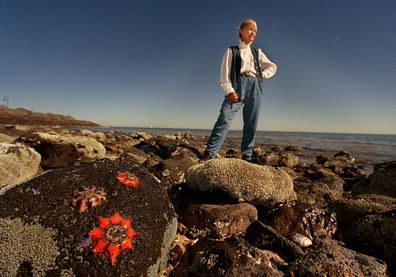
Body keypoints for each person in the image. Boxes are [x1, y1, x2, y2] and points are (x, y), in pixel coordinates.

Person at [203, 18, 277, 161]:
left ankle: (247, 156)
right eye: (250, 29)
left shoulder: (257, 52)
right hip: (237, 85)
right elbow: (225, 74)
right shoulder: (231, 51)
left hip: (255, 86)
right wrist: (229, 90)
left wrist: (262, 75)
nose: (253, 33)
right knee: (224, 118)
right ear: (241, 31)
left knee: (251, 123)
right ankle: (209, 153)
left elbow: (272, 66)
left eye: (255, 31)